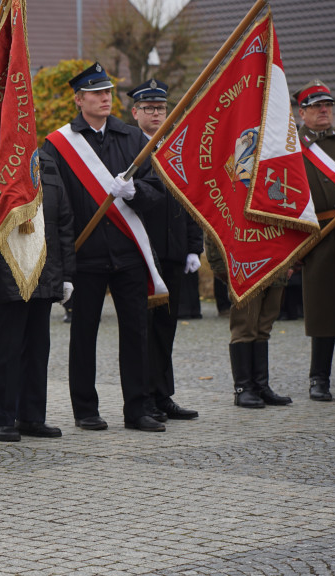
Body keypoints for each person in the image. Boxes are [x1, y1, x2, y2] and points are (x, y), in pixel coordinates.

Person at [39, 62, 166, 433]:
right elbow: (55, 203)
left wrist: (136, 192)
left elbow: (157, 194)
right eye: (96, 94)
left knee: (136, 332)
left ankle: (138, 409)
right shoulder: (58, 145)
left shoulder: (132, 138)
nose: (105, 98)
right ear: (79, 100)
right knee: (84, 334)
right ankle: (85, 410)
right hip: (85, 253)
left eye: (108, 92)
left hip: (127, 252)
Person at [0, 149, 73, 441]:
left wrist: (67, 274)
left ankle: (32, 416)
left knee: (37, 349)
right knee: (7, 350)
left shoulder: (45, 160)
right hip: (6, 270)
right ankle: (2, 418)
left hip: (43, 270)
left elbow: (62, 219)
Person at [128, 79, 202, 421]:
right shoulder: (129, 147)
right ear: (135, 112)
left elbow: (189, 199)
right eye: (149, 108)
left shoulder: (176, 146)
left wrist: (193, 246)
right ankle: (144, 399)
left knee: (166, 328)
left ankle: (163, 395)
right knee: (143, 330)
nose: (156, 114)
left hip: (173, 251)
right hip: (144, 251)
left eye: (161, 108)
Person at [294, 80, 335, 402]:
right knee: (323, 314)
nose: (324, 110)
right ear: (302, 112)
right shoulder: (291, 149)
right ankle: (319, 379)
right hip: (319, 238)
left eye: (328, 105)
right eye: (317, 106)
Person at [206, 236, 292, 408]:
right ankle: (243, 388)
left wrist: (291, 259)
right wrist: (218, 265)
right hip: (245, 265)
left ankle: (260, 386)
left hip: (276, 260)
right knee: (244, 327)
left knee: (264, 328)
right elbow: (215, 225)